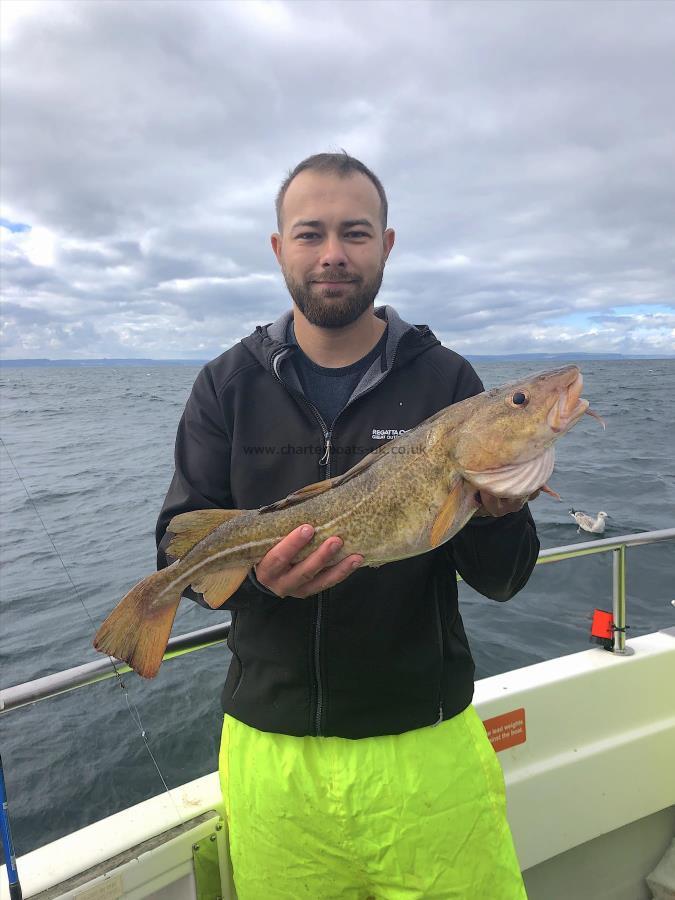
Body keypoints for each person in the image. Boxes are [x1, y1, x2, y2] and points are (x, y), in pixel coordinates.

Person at [156, 152, 539, 899]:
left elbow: (504, 579)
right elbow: (180, 546)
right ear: (278, 249)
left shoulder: (448, 382)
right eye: (310, 234)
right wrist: (261, 585)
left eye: (355, 233)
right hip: (272, 754)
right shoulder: (224, 385)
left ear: (386, 245)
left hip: (426, 743)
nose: (332, 254)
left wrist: (500, 511)